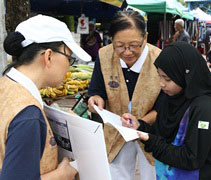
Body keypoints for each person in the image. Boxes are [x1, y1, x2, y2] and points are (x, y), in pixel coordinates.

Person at [0, 14, 91, 180]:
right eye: (69, 58)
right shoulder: (28, 115)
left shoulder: (6, 86)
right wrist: (60, 175)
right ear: (48, 56)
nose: (69, 67)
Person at [88, 10, 162, 180]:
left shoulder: (160, 59)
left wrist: (141, 123)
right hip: (116, 129)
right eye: (120, 46)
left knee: (152, 173)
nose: (127, 52)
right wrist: (96, 100)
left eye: (134, 45)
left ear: (145, 38)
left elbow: (165, 105)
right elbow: (96, 90)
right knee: (115, 172)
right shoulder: (104, 55)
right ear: (111, 40)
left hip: (152, 129)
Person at [121, 41, 211, 180]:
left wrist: (153, 142)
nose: (161, 83)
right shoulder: (170, 99)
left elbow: (192, 158)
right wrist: (140, 127)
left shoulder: (204, 108)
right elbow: (161, 134)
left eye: (168, 79)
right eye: (159, 76)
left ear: (185, 75)